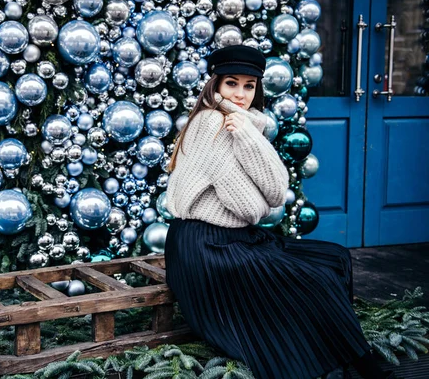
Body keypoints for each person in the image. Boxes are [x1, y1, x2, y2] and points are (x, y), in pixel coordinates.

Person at [164, 45, 397, 379]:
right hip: (204, 246)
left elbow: (276, 189)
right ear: (214, 85)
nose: (240, 94)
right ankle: (362, 368)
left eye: (249, 85)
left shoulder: (243, 125)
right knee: (315, 280)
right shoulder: (210, 123)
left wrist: (247, 135)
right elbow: (252, 208)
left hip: (235, 238)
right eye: (231, 83)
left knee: (334, 258)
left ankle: (334, 357)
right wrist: (258, 200)